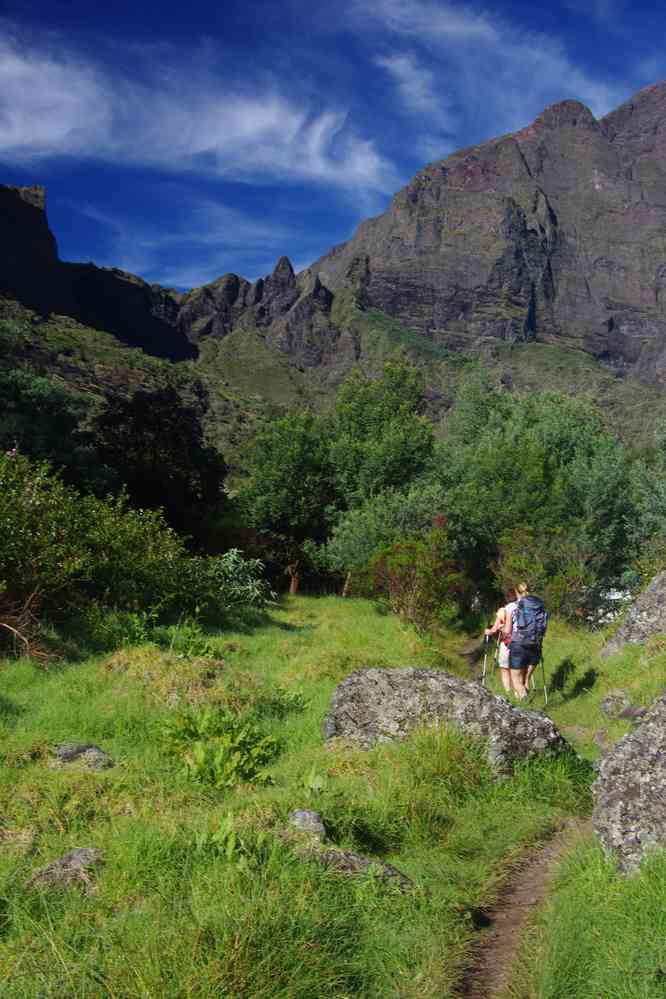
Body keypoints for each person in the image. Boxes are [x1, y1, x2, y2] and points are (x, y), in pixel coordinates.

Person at [508, 582, 547, 701]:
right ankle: (524, 703)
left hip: (518, 644)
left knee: (515, 679)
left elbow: (507, 630)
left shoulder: (514, 606)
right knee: (525, 680)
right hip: (536, 644)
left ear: (516, 592)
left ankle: (525, 699)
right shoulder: (538, 605)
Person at [484, 587, 518, 696]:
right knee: (517, 669)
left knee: (505, 668)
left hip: (507, 642)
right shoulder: (521, 608)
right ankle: (518, 694)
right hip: (521, 643)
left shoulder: (503, 610)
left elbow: (494, 629)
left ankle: (508, 693)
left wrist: (488, 631)